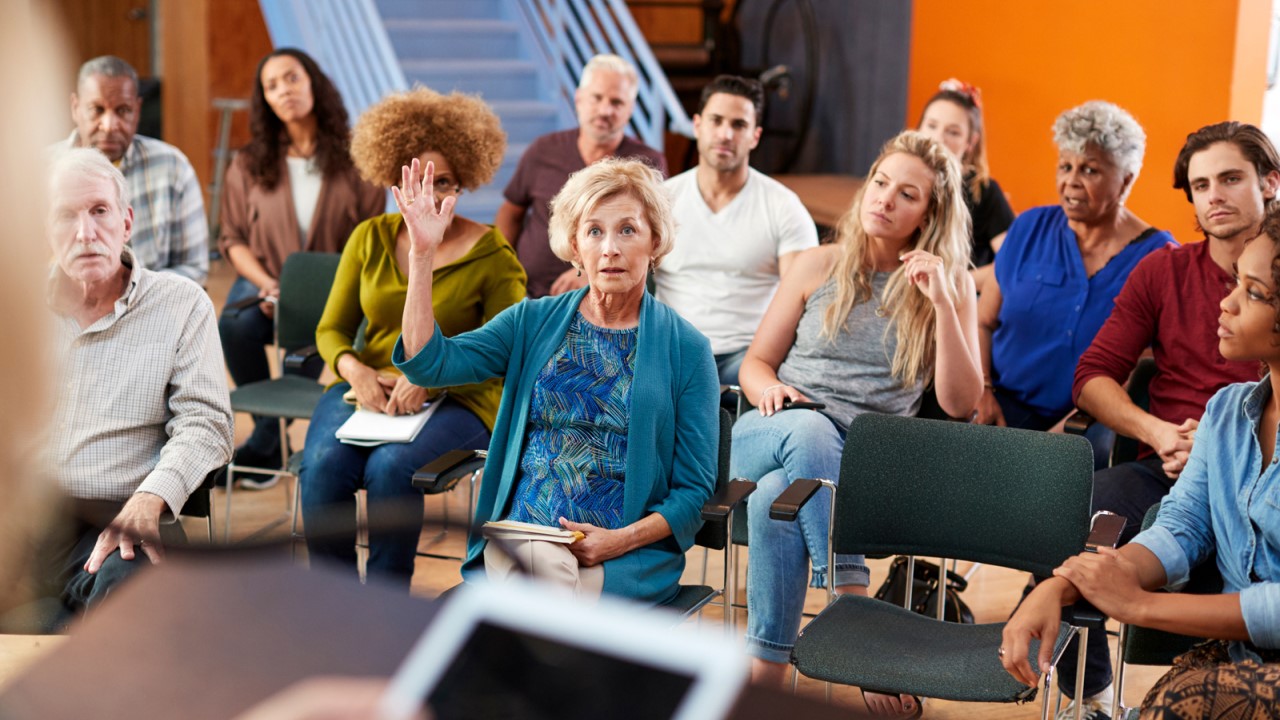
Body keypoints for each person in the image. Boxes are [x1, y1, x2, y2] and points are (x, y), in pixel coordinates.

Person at [732, 130, 983, 715]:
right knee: (807, 434)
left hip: (864, 464)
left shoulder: (949, 287)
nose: (885, 199)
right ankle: (855, 615)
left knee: (776, 501)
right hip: (773, 431)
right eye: (880, 182)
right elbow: (755, 363)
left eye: (907, 194)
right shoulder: (816, 264)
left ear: (930, 213)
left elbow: (959, 403)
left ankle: (763, 684)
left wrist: (943, 304)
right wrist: (771, 391)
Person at [394, 157, 718, 605]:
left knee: (526, 602)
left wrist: (618, 541)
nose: (610, 248)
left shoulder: (686, 349)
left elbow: (693, 490)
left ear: (656, 243)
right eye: (594, 231)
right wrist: (423, 254)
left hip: (619, 554)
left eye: (628, 230)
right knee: (539, 578)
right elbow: (427, 364)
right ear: (574, 246)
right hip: (521, 532)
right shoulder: (532, 321)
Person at [1001, 207, 1280, 720]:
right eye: (1236, 282)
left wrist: (1140, 606)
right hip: (1241, 659)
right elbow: (1181, 526)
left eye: (1253, 292)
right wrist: (1062, 584)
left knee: (1175, 704)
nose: (1227, 302)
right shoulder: (1228, 411)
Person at [299, 88, 525, 590]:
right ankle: (329, 604)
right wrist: (355, 370)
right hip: (369, 388)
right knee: (320, 467)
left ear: (463, 182)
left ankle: (385, 606)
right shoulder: (369, 237)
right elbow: (331, 330)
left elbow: (508, 352)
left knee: (391, 467)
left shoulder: (492, 255)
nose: (430, 195)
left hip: (463, 396)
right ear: (395, 182)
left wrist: (432, 379)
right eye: (417, 181)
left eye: (442, 182)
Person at [39, 147, 233, 626]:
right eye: (66, 215)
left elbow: (207, 423)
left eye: (99, 211)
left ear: (126, 223)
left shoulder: (180, 303)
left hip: (121, 517)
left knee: (133, 605)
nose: (86, 232)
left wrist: (151, 498)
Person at [218, 48, 386, 489]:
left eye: (291, 78)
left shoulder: (357, 159)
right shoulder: (247, 163)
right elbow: (232, 238)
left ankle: (275, 441)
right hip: (264, 277)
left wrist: (307, 292)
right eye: (271, 86)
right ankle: (271, 435)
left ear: (313, 82)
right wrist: (270, 286)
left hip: (334, 283)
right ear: (265, 101)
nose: (283, 91)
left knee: (309, 335)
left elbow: (368, 238)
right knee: (234, 325)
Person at [975, 101, 1174, 470]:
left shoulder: (1160, 258)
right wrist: (982, 391)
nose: (1071, 181)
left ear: (1127, 178)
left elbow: (1138, 373)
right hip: (998, 408)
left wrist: (1059, 438)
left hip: (1089, 428)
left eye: (1090, 170)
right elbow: (982, 321)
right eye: (1065, 166)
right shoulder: (1030, 227)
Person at [654, 75, 819, 386]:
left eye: (739, 125)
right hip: (670, 352)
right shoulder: (661, 200)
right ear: (697, 125)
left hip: (749, 358)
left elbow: (805, 297)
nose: (725, 134)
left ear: (755, 136)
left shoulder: (783, 206)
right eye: (716, 121)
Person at [496, 54, 668, 298]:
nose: (605, 110)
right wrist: (503, 269)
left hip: (606, 297)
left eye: (617, 102)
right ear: (578, 99)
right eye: (597, 98)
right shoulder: (543, 149)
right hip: (530, 295)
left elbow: (655, 240)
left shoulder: (647, 164)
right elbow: (511, 212)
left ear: (630, 109)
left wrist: (593, 271)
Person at [63, 55, 209, 285]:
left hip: (152, 307)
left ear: (137, 110)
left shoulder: (173, 167)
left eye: (123, 111)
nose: (110, 125)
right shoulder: (41, 172)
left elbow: (194, 268)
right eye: (96, 109)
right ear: (75, 108)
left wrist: (132, 291)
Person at [915, 78, 1015, 293]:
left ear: (970, 142)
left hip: (956, 299)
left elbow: (1011, 263)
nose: (938, 138)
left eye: (953, 132)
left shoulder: (984, 191)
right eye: (931, 125)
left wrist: (954, 284)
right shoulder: (902, 177)